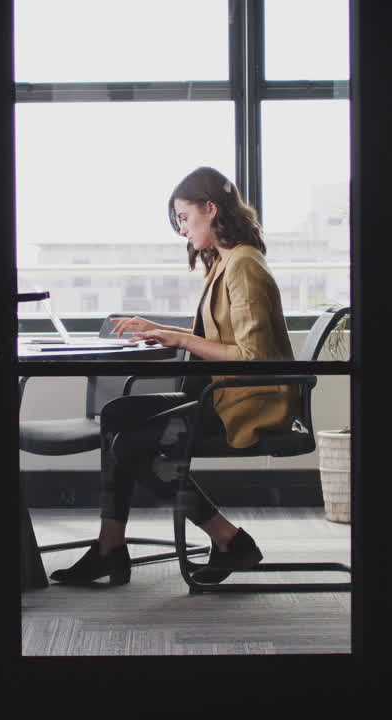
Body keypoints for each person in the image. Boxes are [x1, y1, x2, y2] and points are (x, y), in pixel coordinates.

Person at [50, 166, 300, 587]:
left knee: (130, 446)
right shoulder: (227, 261)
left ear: (210, 209)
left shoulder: (243, 266)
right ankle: (110, 547)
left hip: (249, 401)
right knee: (117, 414)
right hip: (225, 395)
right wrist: (162, 330)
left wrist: (176, 339)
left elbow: (250, 358)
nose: (182, 229)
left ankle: (228, 538)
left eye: (184, 218)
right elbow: (225, 340)